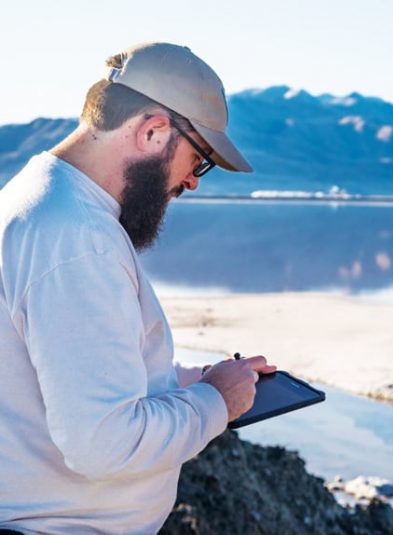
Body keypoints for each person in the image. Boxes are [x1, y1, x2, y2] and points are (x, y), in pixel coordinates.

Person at [0, 42, 275, 533]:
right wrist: (215, 402)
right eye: (200, 159)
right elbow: (104, 443)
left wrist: (186, 379)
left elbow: (55, 370)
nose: (192, 182)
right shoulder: (78, 237)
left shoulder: (37, 200)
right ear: (153, 131)